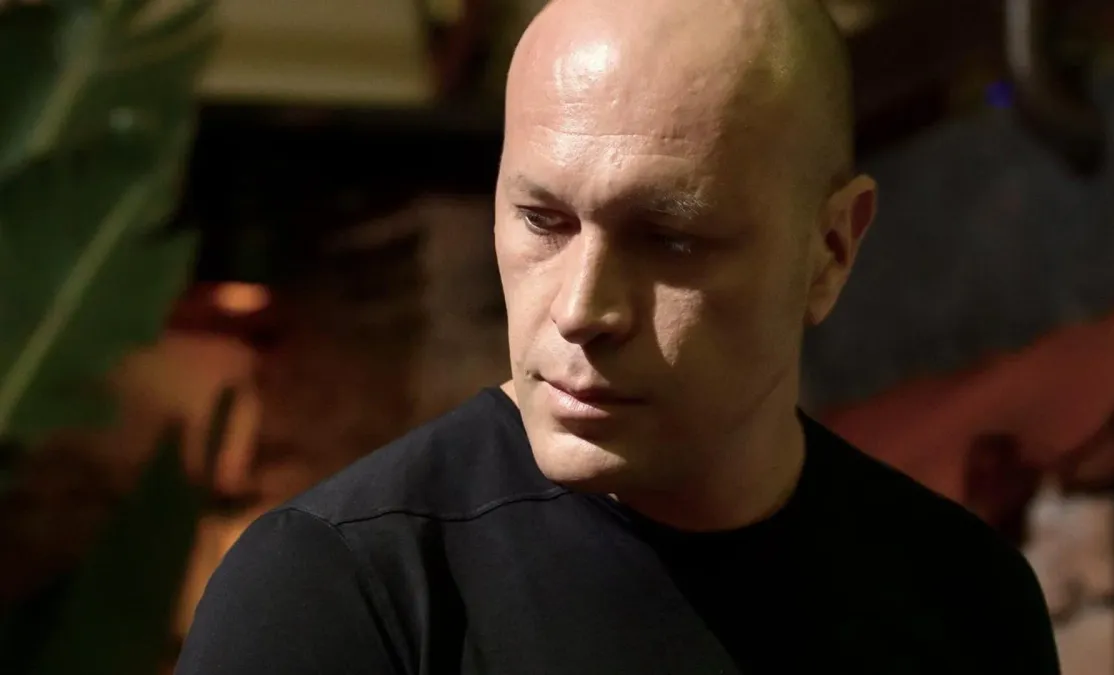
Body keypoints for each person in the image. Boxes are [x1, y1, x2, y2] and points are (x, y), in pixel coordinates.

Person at [177, 0, 1061, 673]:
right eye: (543, 219)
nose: (581, 307)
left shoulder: (964, 599)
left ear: (829, 250)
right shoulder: (341, 589)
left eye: (670, 237)